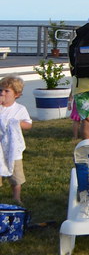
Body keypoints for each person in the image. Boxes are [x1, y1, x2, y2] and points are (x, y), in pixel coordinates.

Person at [0, 76, 31, 205]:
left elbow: (28, 124)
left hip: (13, 148)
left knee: (16, 175)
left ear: (16, 94)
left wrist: (17, 124)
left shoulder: (20, 109)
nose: (2, 93)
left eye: (7, 91)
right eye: (1, 90)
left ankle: (16, 196)